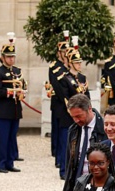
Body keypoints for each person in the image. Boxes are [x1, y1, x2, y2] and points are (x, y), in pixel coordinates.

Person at [59, 94, 106, 191]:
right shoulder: (73, 129)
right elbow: (70, 161)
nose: (76, 120)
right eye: (73, 117)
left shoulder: (104, 129)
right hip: (78, 182)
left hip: (98, 182)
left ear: (89, 109)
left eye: (79, 116)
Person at [0, 32, 26, 173]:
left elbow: (23, 84)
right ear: (3, 58)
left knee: (12, 137)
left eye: (13, 57)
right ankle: (0, 164)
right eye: (9, 57)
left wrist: (22, 90)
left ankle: (10, 162)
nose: (11, 59)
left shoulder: (18, 71)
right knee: (3, 138)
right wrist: (11, 92)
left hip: (16, 108)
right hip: (4, 108)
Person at [58, 44, 90, 180]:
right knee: (67, 143)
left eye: (79, 62)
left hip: (82, 115)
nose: (79, 65)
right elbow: (65, 97)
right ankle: (64, 170)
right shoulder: (64, 78)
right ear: (70, 63)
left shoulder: (82, 78)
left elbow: (86, 96)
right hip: (68, 115)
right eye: (76, 62)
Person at [48, 32, 70, 168]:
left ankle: (61, 157)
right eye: (63, 52)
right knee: (57, 129)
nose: (65, 54)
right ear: (59, 53)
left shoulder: (68, 66)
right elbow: (56, 85)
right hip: (58, 102)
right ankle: (56, 154)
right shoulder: (54, 67)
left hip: (67, 103)